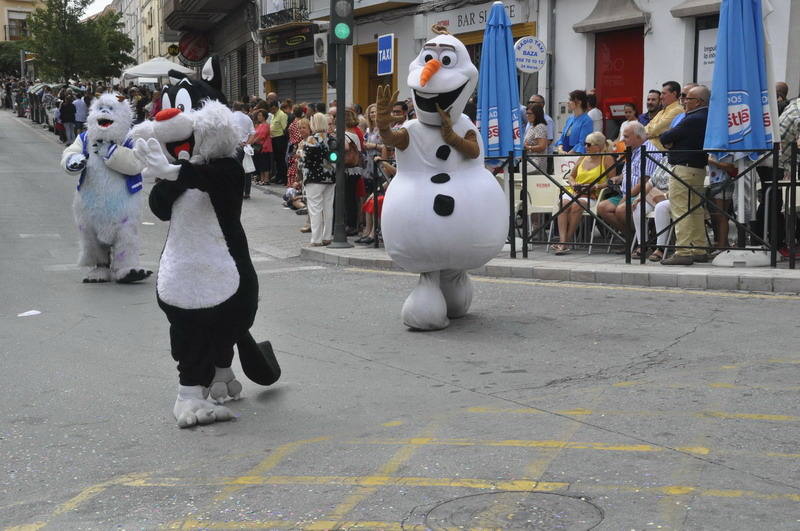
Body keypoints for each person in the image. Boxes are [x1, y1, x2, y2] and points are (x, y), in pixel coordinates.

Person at [659, 84, 710, 265]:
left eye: (688, 98)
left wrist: (671, 141)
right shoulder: (706, 117)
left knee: (681, 209)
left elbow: (665, 137)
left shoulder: (692, 118)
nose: (684, 102)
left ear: (698, 101)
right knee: (695, 209)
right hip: (697, 168)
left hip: (683, 167)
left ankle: (683, 251)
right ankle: (699, 248)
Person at [601, 121, 661, 256]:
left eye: (626, 136)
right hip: (625, 192)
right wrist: (619, 177)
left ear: (639, 137)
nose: (622, 139)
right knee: (603, 208)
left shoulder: (649, 150)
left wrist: (626, 198)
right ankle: (632, 238)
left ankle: (643, 241)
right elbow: (632, 172)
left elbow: (645, 182)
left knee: (621, 210)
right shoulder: (633, 150)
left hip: (643, 194)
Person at [553, 132, 616, 255]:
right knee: (563, 203)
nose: (585, 147)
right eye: (584, 144)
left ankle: (566, 242)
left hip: (593, 194)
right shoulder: (583, 157)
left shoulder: (607, 159)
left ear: (598, 146)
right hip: (576, 190)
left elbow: (611, 182)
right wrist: (573, 183)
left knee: (577, 206)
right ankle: (563, 240)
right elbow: (571, 176)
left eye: (588, 145)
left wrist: (596, 186)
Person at [299, 113, 336, 246]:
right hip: (330, 177)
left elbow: (306, 160)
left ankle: (316, 239)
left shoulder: (311, 139)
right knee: (328, 207)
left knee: (315, 209)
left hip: (314, 178)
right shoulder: (331, 138)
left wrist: (300, 153)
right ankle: (327, 237)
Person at [645, 81, 683, 151]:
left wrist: (650, 133)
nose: (661, 97)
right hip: (649, 152)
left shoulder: (677, 110)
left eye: (664, 93)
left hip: (660, 155)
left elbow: (655, 130)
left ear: (674, 94)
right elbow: (645, 129)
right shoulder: (661, 112)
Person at [555, 90, 594, 154]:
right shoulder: (570, 119)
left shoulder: (587, 120)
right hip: (565, 155)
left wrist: (570, 153)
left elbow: (583, 142)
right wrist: (560, 149)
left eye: (571, 100)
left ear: (579, 102)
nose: (568, 102)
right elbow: (562, 138)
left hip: (578, 156)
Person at [232, 102, 256, 198]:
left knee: (235, 170)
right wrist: (247, 143)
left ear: (233, 108)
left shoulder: (230, 117)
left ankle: (237, 191)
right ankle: (247, 192)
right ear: (242, 108)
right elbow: (253, 133)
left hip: (234, 147)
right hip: (245, 148)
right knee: (247, 170)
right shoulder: (247, 118)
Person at [523, 103, 549, 172]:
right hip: (530, 162)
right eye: (526, 113)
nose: (527, 115)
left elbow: (542, 146)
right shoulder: (532, 126)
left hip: (536, 165)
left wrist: (528, 148)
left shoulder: (539, 127)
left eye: (529, 113)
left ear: (537, 114)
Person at [252, 109, 273, 185]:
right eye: (258, 115)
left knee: (265, 163)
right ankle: (262, 178)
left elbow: (262, 136)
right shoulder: (259, 125)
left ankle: (266, 179)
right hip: (258, 147)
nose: (258, 117)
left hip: (264, 147)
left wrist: (253, 141)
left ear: (264, 117)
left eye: (260, 115)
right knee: (260, 163)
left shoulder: (266, 125)